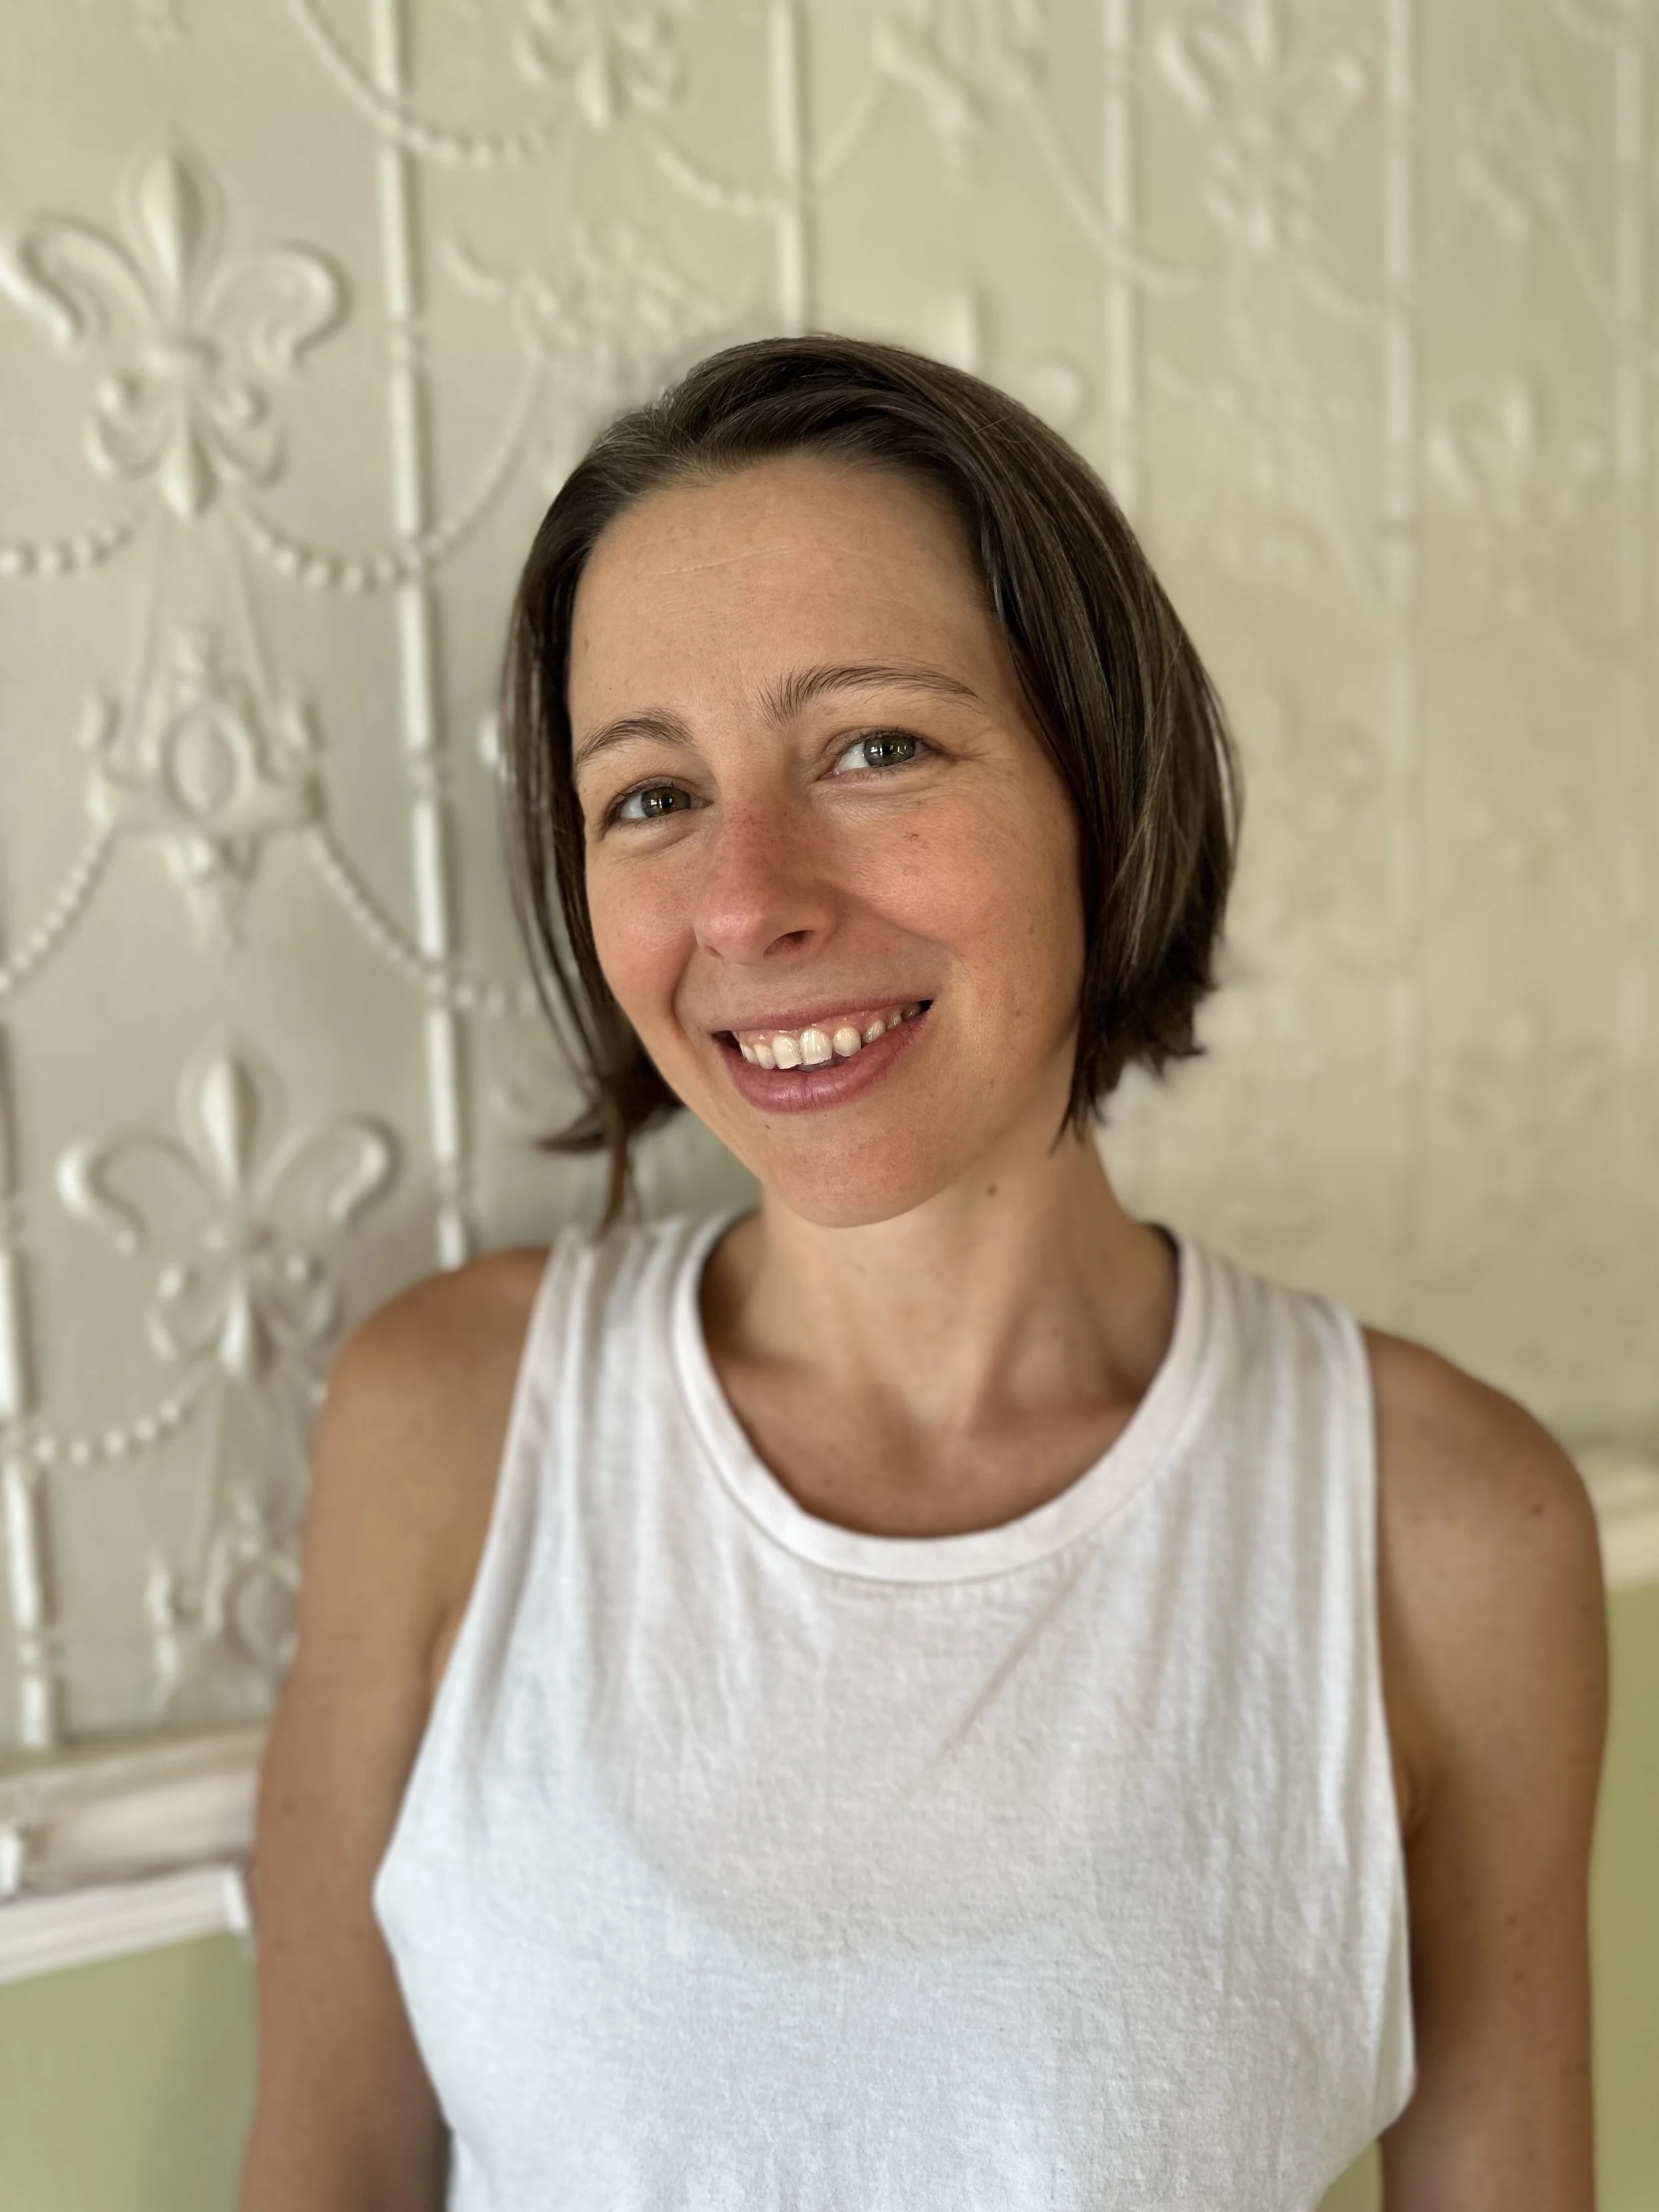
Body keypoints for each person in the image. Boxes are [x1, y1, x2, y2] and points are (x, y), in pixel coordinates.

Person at [238, 336, 1609, 2212]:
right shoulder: (441, 1433)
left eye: (872, 746)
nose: (745, 898)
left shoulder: (1448, 1527)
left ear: (1097, 789)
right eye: (649, 795)